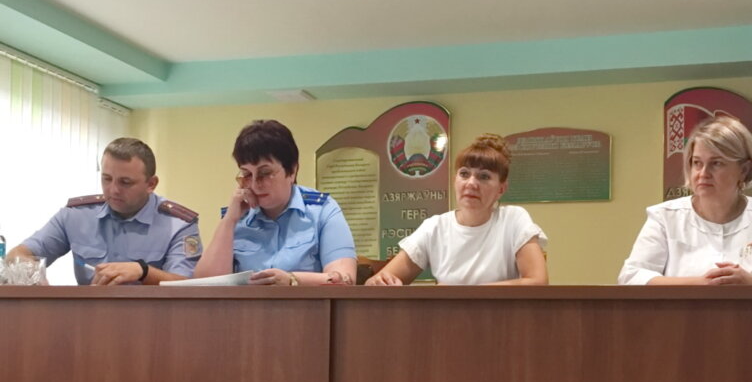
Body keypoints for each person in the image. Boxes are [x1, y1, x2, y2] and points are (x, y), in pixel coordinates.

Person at [618, 115, 752, 286]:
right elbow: (632, 276)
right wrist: (701, 284)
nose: (703, 173)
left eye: (716, 163)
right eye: (697, 163)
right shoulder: (664, 217)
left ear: (744, 169)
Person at [6, 138, 202, 285]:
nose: (113, 190)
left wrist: (143, 272)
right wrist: (29, 273)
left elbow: (187, 286)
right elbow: (19, 253)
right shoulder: (76, 216)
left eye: (125, 182)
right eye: (107, 179)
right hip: (88, 319)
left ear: (151, 184)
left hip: (152, 322)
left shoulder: (179, 225)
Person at [367, 134, 548, 286]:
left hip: (502, 316)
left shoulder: (513, 219)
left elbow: (538, 281)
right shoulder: (435, 227)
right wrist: (378, 281)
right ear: (455, 180)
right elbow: (378, 282)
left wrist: (466, 294)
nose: (471, 183)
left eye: (484, 176)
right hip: (446, 317)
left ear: (501, 189)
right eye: (464, 174)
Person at [194, 119, 357, 285]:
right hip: (248, 303)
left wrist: (292, 281)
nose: (255, 184)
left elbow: (344, 280)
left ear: (292, 171)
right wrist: (229, 220)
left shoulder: (322, 209)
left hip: (305, 302)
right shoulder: (237, 215)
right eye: (247, 174)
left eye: (265, 173)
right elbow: (205, 286)